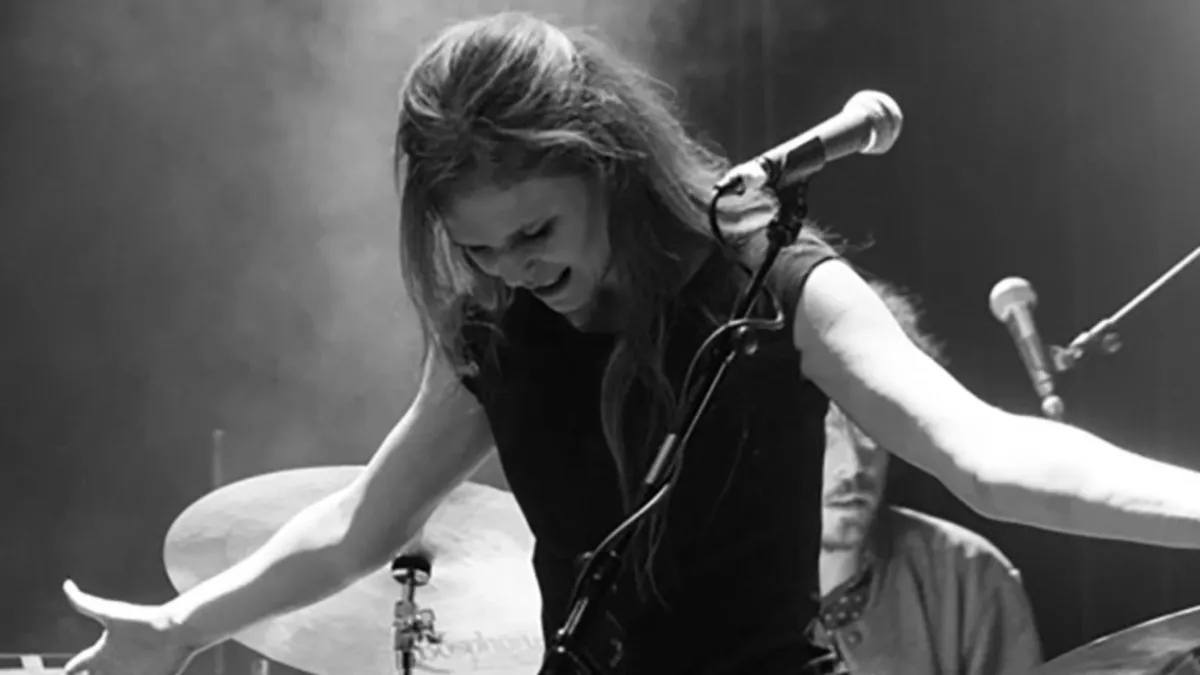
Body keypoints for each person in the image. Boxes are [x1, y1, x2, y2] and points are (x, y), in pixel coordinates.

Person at [61, 11, 1200, 675]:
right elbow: (365, 522)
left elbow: (989, 456)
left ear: (609, 165)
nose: (514, 269)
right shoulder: (495, 330)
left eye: (536, 233)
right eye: (480, 248)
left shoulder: (772, 283)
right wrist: (180, 626)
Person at [809, 281, 1042, 675]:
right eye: (828, 430)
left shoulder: (967, 573)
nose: (853, 465)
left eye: (870, 427)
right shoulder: (719, 577)